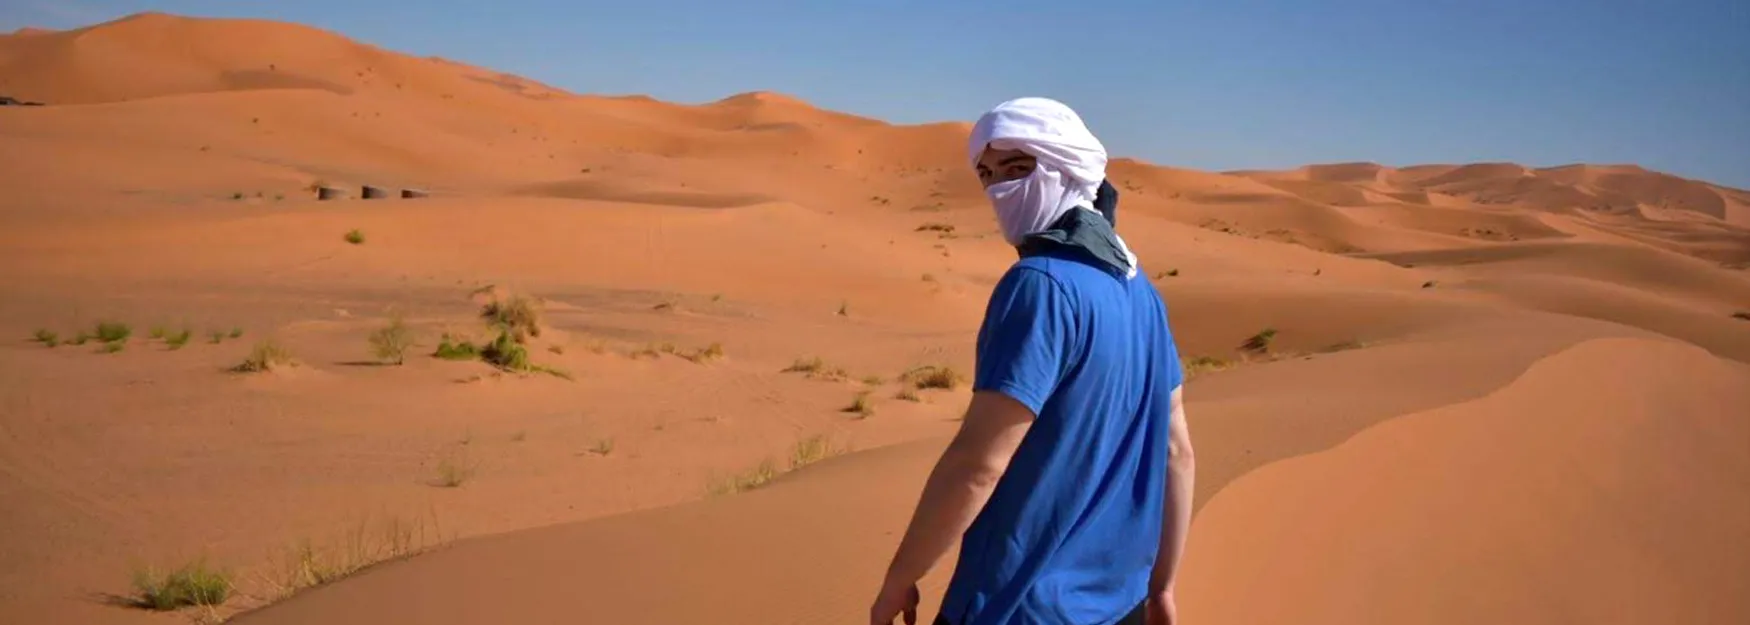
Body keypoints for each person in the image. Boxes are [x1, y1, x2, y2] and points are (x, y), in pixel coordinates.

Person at [868, 97, 1197, 625]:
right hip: (1122, 606)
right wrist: (1162, 589)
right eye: (987, 174)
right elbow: (1177, 454)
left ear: (1068, 167)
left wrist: (898, 581)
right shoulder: (1143, 293)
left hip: (1019, 606)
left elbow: (978, 464)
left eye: (1020, 168)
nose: (1001, 188)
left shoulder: (1039, 285)